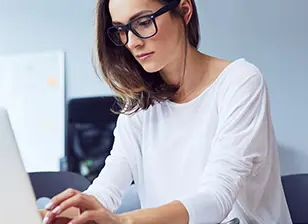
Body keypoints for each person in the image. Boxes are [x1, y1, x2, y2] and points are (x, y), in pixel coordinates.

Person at [41, 0, 292, 223]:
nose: (132, 41)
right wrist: (45, 215)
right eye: (121, 30)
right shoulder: (139, 104)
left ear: (184, 11)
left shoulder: (240, 81)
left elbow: (216, 199)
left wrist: (123, 221)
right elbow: (104, 194)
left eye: (142, 22)